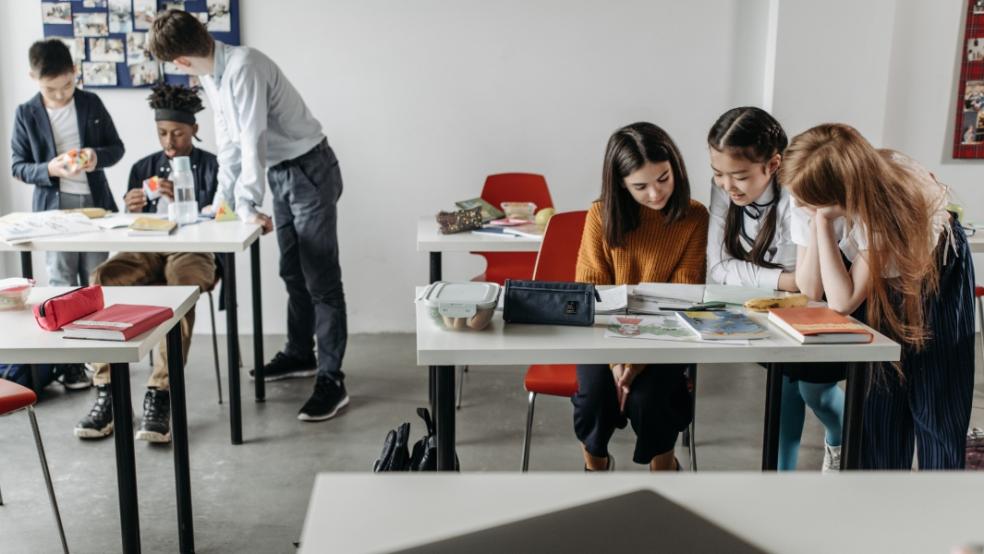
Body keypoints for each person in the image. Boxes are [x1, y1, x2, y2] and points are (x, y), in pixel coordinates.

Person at [147, 10, 349, 422]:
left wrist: (246, 203)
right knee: (292, 271)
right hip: (281, 172)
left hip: (309, 168)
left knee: (321, 278)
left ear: (180, 61)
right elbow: (229, 145)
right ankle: (300, 354)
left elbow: (251, 137)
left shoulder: (245, 66)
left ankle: (332, 379)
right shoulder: (212, 74)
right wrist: (223, 202)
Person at [781, 123, 975, 470]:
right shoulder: (812, 190)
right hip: (881, 277)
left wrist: (823, 222)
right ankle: (879, 499)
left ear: (840, 195)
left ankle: (945, 499)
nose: (797, 203)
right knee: (879, 399)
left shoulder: (887, 204)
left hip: (936, 272)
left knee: (936, 399)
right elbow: (811, 288)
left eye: (807, 201)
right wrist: (818, 221)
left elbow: (843, 301)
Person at [74, 84, 218, 442]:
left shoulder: (213, 166)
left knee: (180, 290)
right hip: (147, 245)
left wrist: (190, 200)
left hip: (194, 248)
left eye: (178, 133)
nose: (170, 142)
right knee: (103, 277)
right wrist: (132, 206)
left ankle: (161, 393)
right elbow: (127, 227)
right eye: (162, 133)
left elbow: (224, 217)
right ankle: (107, 389)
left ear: (194, 130)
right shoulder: (143, 166)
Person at [706, 107, 844, 471]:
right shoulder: (725, 189)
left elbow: (812, 285)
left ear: (773, 165)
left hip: (828, 302)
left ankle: (842, 441)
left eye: (738, 176)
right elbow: (719, 268)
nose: (726, 185)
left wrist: (781, 279)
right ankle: (781, 480)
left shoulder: (799, 193)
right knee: (783, 393)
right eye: (718, 174)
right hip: (775, 307)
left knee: (816, 393)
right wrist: (784, 280)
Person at [574, 122, 708, 471]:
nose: (655, 193)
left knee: (651, 401)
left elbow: (682, 298)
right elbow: (592, 296)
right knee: (595, 402)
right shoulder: (600, 216)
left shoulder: (694, 217)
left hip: (666, 336)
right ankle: (594, 466)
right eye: (640, 186)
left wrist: (635, 363)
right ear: (620, 184)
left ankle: (664, 470)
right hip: (602, 337)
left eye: (663, 178)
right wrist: (617, 361)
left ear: (675, 167)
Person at [11, 38, 125, 389]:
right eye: (51, 88)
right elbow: (19, 166)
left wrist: (94, 156)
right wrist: (50, 168)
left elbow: (116, 148)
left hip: (94, 208)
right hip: (52, 212)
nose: (60, 95)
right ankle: (69, 363)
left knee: (94, 283)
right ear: (33, 77)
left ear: (75, 72)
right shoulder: (26, 112)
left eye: (67, 86)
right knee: (61, 285)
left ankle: (98, 361)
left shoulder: (91, 102)